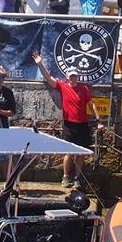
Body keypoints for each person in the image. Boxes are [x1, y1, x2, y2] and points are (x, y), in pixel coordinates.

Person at [32, 52, 103, 188]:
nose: (73, 78)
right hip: (69, 125)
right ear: (67, 77)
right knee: (69, 152)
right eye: (71, 76)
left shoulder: (84, 89)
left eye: (75, 76)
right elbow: (48, 78)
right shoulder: (63, 86)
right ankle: (65, 177)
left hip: (83, 125)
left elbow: (91, 105)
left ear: (78, 76)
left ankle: (77, 178)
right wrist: (40, 63)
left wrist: (99, 120)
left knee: (81, 153)